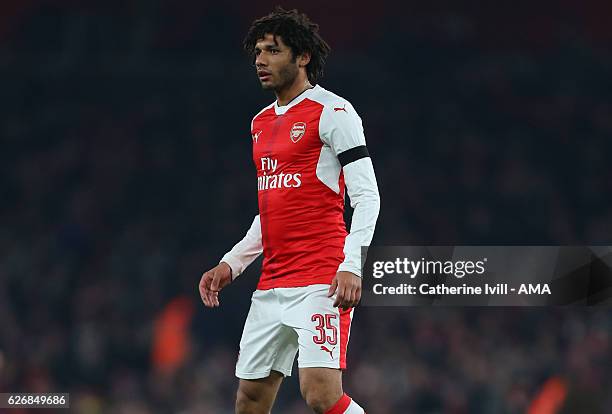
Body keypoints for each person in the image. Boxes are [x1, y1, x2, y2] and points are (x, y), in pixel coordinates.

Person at [199, 7, 379, 414]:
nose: (261, 60)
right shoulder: (260, 123)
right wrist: (232, 263)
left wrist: (352, 265)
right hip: (272, 283)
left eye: (273, 51)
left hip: (321, 277)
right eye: (258, 51)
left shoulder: (334, 112)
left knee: (319, 393)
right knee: (250, 399)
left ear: (303, 57)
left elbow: (367, 196)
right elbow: (273, 207)